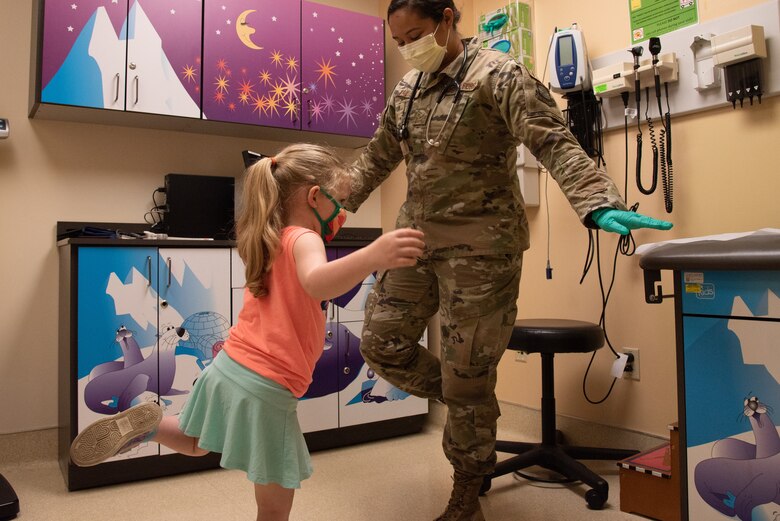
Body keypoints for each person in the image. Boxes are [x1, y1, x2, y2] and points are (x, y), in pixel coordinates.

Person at [344, 1, 674, 520]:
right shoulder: (408, 91)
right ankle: (470, 398)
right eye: (399, 40)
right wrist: (332, 201)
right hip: (415, 243)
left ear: (448, 19)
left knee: (468, 374)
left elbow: (553, 140)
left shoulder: (498, 75)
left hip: (482, 251)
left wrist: (597, 202)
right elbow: (376, 157)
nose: (408, 47)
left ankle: (467, 488)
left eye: (416, 34)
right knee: (382, 345)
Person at [69, 143, 426, 521]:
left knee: (194, 442)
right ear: (315, 197)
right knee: (274, 505)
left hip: (229, 366)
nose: (342, 213)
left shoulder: (269, 237)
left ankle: (150, 424)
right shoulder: (306, 239)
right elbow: (318, 282)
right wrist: (374, 254)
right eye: (339, 201)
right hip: (267, 383)